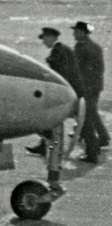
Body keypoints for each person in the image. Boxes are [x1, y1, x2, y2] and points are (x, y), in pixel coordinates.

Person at [26, 27, 83, 156]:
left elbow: (61, 73)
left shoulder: (58, 51)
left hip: (66, 91)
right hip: (72, 89)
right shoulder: (61, 49)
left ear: (51, 37)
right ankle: (46, 147)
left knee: (51, 119)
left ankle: (52, 149)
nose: (44, 42)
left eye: (45, 38)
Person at [73, 21, 108, 163]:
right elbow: (100, 69)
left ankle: (92, 152)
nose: (74, 34)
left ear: (82, 32)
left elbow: (77, 70)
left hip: (85, 88)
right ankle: (104, 137)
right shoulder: (95, 47)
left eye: (76, 31)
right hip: (95, 86)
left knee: (86, 120)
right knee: (92, 113)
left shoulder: (81, 47)